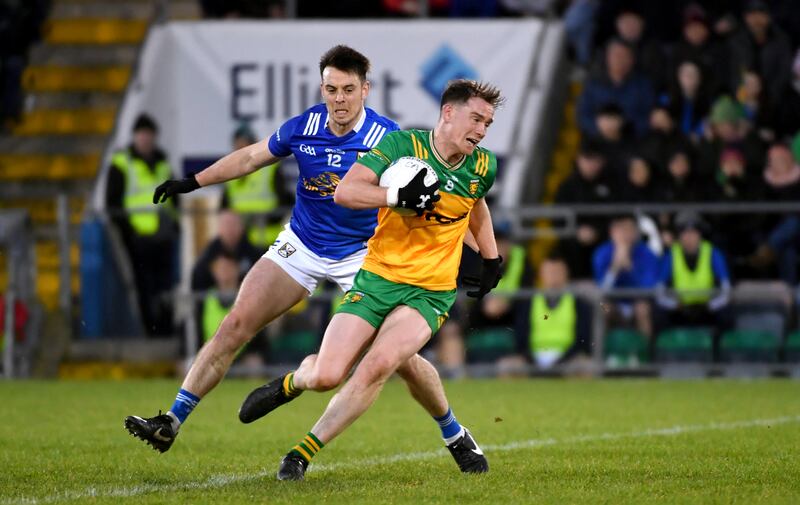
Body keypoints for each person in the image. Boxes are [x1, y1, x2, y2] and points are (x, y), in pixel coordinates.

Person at [123, 46, 466, 461]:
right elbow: (251, 157)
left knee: (402, 358)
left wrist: (474, 247)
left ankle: (454, 433)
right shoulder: (305, 125)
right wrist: (193, 182)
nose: (338, 99)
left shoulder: (390, 138)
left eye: (348, 89)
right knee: (234, 324)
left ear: (365, 90)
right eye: (331, 89)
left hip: (364, 255)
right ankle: (171, 421)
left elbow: (435, 195)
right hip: (301, 244)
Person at [237, 79, 504, 480]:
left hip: (430, 291)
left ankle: (300, 454)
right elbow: (346, 191)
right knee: (328, 375)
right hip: (377, 276)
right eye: (477, 119)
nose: (482, 130)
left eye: (488, 123)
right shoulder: (401, 148)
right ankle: (294, 382)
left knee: (379, 363)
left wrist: (490, 257)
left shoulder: (483, 164)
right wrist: (395, 197)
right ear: (448, 112)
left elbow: (476, 202)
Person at [105, 113, 179, 336]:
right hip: (137, 240)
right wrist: (128, 232)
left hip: (163, 239)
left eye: (149, 134)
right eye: (142, 134)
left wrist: (174, 226)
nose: (145, 139)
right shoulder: (122, 163)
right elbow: (113, 203)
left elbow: (175, 199)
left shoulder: (163, 163)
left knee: (166, 288)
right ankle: (152, 331)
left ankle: (166, 329)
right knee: (144, 287)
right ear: (135, 136)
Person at [655, 212, 731, 357]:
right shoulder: (672, 254)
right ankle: (661, 356)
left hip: (706, 309)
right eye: (685, 233)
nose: (689, 238)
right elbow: (659, 291)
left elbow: (726, 289)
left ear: (700, 235)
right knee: (658, 314)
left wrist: (711, 305)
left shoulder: (712, 253)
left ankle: (720, 359)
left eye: (693, 233)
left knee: (726, 315)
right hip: (680, 309)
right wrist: (675, 305)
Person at [221, 124, 292, 251]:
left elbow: (285, 202)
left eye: (244, 145)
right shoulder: (230, 173)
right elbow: (225, 208)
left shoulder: (270, 169)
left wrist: (260, 219)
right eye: (238, 146)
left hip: (269, 240)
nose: (241, 150)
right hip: (239, 244)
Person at [514, 255, 592, 369]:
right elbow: (521, 337)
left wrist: (561, 361)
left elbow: (583, 339)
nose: (554, 277)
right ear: (541, 275)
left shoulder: (578, 303)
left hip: (568, 359)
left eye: (557, 272)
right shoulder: (529, 303)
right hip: (534, 357)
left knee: (585, 367)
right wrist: (532, 360)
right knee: (509, 366)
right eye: (549, 272)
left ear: (566, 274)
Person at [593, 214, 659, 340]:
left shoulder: (647, 254)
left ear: (636, 232)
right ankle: (601, 355)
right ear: (612, 232)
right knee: (602, 307)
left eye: (629, 229)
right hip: (614, 304)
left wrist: (630, 268)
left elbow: (649, 289)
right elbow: (601, 290)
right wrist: (614, 268)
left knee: (642, 309)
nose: (625, 234)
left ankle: (645, 354)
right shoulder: (601, 253)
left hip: (637, 304)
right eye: (621, 229)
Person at [577, 38, 654, 138]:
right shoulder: (593, 84)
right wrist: (598, 125)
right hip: (599, 141)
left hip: (633, 142)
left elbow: (650, 117)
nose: (619, 60)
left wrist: (623, 126)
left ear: (632, 60)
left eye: (624, 56)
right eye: (615, 55)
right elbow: (582, 116)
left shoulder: (643, 84)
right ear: (607, 57)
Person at [190, 209, 262, 292]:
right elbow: (198, 277)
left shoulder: (253, 253)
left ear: (241, 227)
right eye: (226, 225)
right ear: (219, 229)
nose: (230, 230)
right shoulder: (210, 254)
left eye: (233, 225)